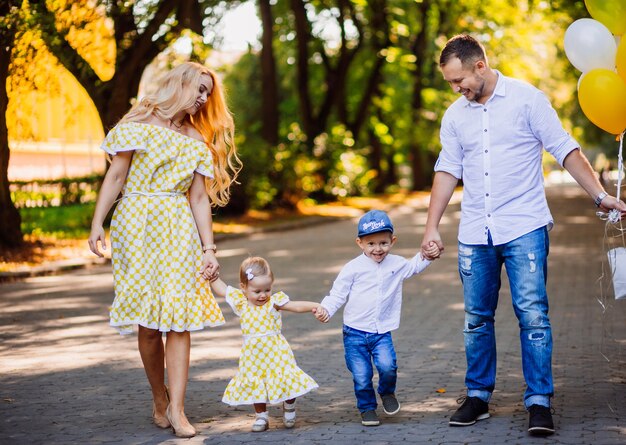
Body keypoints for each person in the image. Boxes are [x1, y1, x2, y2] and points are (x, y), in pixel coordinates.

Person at [420, 34, 626, 436]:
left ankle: (538, 403)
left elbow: (565, 148)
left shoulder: (527, 100)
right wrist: (431, 227)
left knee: (533, 316)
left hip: (524, 227)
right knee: (476, 319)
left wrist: (600, 195)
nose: (456, 89)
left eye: (458, 79)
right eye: (450, 83)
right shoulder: (454, 116)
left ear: (480, 66)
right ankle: (477, 396)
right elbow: (447, 170)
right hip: (475, 231)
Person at [88, 61, 241, 438]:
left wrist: (209, 249)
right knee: (148, 323)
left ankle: (177, 408)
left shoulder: (195, 139)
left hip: (177, 228)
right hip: (136, 227)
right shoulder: (137, 125)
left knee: (179, 318)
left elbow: (200, 198)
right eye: (200, 89)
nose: (204, 98)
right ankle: (160, 397)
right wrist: (97, 222)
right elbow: (117, 176)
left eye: (208, 92)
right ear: (180, 84)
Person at [317, 210, 440, 426]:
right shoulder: (353, 268)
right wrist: (326, 309)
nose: (378, 249)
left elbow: (413, 267)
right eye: (371, 243)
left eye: (383, 243)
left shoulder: (396, 263)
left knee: (387, 366)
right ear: (360, 243)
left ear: (392, 241)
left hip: (381, 331)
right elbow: (338, 293)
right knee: (362, 375)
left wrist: (427, 255)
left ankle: (387, 392)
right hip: (354, 332)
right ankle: (367, 408)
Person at [209, 256, 328, 432]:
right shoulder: (241, 302)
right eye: (257, 291)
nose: (263, 295)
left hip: (276, 351)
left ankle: (289, 407)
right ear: (244, 287)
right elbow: (223, 289)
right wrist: (213, 278)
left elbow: (295, 306)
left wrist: (316, 305)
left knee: (285, 379)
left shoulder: (274, 302)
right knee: (256, 383)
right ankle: (261, 416)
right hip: (253, 355)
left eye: (267, 289)